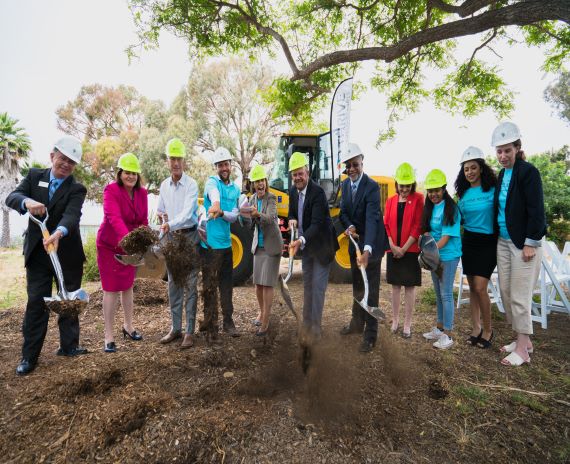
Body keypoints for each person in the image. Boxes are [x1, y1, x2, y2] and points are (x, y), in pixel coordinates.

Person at [6, 136, 88, 375]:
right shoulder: (33, 177)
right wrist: (28, 202)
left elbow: (72, 216)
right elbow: (12, 198)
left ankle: (69, 347)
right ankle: (29, 357)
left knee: (69, 300)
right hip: (39, 255)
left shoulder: (76, 188)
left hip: (67, 254)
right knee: (36, 304)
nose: (66, 165)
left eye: (71, 162)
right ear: (52, 156)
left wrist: (59, 233)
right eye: (63, 159)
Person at [491, 122, 546, 366]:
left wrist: (531, 242)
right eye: (499, 151)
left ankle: (523, 351)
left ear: (517, 148)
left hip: (524, 243)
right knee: (506, 291)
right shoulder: (503, 174)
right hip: (503, 240)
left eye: (507, 150)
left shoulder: (528, 172)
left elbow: (536, 210)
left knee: (520, 296)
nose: (503, 156)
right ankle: (523, 340)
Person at [96, 153, 148, 353]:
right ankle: (108, 335)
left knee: (127, 286)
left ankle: (128, 326)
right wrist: (129, 241)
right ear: (120, 173)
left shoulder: (142, 193)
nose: (131, 176)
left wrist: (142, 242)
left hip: (131, 246)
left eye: (134, 173)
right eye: (127, 172)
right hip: (110, 245)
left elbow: (143, 220)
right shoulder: (111, 190)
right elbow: (113, 218)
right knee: (111, 289)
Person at [338, 143, 386, 352]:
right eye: (348, 166)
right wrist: (349, 226)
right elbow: (343, 212)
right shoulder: (346, 185)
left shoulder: (372, 186)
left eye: (355, 164)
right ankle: (357, 324)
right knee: (358, 285)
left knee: (371, 290)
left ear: (362, 163)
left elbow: (373, 218)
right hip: (355, 244)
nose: (352, 169)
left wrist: (367, 251)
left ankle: (371, 334)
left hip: (371, 245)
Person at [288, 152, 339, 341]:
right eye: (294, 175)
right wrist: (292, 219)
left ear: (307, 172)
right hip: (307, 247)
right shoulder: (293, 191)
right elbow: (293, 212)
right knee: (308, 286)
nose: (297, 178)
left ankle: (316, 329)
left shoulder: (317, 192)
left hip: (322, 246)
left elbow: (317, 224)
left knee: (318, 288)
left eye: (300, 173)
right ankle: (306, 324)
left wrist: (300, 240)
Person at [157, 138, 200, 349]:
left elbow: (186, 214)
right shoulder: (164, 185)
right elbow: (161, 208)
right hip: (172, 239)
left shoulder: (191, 185)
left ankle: (190, 331)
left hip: (189, 237)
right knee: (174, 284)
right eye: (172, 158)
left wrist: (169, 224)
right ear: (168, 161)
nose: (175, 163)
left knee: (191, 284)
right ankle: (176, 328)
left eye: (179, 159)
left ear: (184, 161)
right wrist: (160, 216)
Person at [454, 147, 498, 349]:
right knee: (471, 287)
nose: (470, 172)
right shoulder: (463, 194)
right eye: (466, 169)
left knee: (481, 288)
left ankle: (488, 330)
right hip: (469, 242)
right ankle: (476, 328)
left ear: (481, 168)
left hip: (488, 242)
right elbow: (457, 219)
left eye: (473, 168)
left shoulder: (492, 190)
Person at [200, 146, 241, 341]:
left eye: (226, 164)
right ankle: (210, 324)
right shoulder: (212, 182)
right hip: (210, 246)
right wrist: (215, 204)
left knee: (226, 285)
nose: (224, 168)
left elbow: (234, 216)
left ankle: (228, 322)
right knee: (209, 287)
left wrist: (222, 212)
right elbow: (213, 194)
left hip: (226, 246)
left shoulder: (235, 189)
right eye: (220, 165)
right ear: (216, 167)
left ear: (230, 165)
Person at [421, 169, 462, 350]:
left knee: (446, 294)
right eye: (430, 191)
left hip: (448, 256)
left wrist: (429, 251)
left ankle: (448, 334)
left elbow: (445, 238)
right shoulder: (430, 207)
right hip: (434, 256)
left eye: (437, 190)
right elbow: (427, 230)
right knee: (438, 293)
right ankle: (439, 328)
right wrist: (427, 240)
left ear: (444, 189)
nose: (433, 194)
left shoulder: (451, 208)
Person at [384, 162, 424, 339]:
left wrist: (404, 248)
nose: (405, 189)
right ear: (397, 184)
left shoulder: (418, 199)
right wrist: (392, 245)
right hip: (393, 249)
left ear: (412, 184)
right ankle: (395, 320)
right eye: (402, 185)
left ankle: (407, 323)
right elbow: (386, 224)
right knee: (395, 286)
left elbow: (418, 225)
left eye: (408, 185)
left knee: (409, 287)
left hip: (411, 250)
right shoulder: (391, 200)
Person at [244, 165, 283, 336]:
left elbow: (271, 218)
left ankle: (266, 319)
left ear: (265, 182)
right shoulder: (252, 199)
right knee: (258, 284)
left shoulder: (271, 198)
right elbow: (249, 224)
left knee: (267, 284)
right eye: (256, 181)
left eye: (262, 180)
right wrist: (246, 216)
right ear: (253, 184)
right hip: (258, 246)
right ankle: (261, 312)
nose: (260, 184)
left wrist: (257, 214)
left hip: (271, 246)